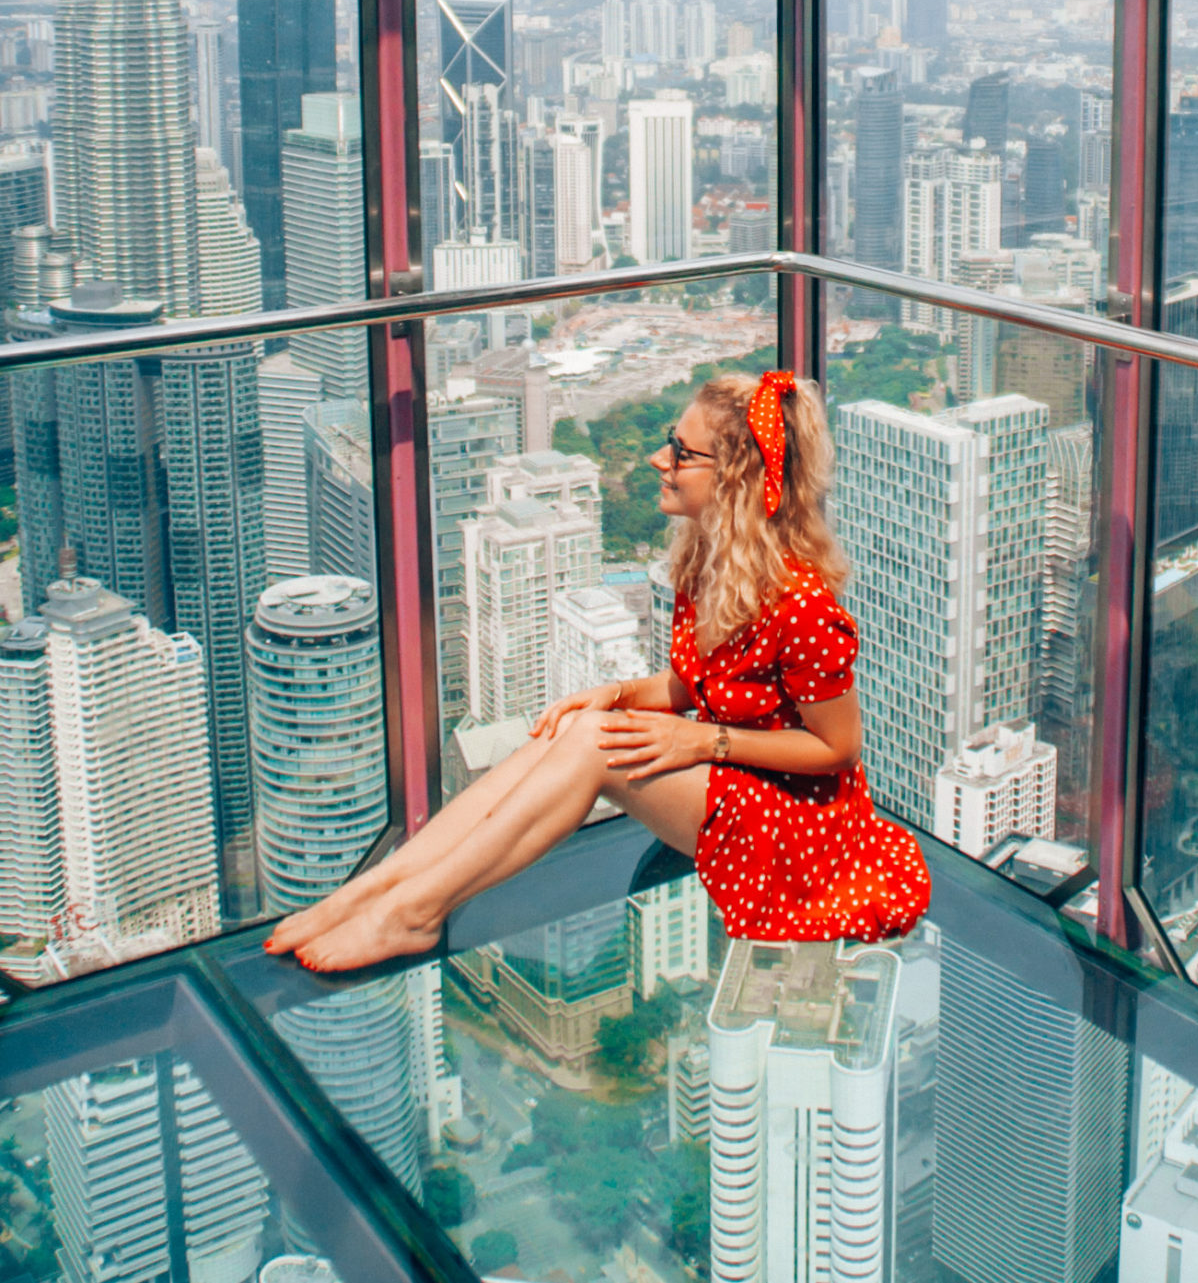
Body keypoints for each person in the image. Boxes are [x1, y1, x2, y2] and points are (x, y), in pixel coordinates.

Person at [265, 369, 930, 972]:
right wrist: (611, 694)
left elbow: (838, 748)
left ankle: (414, 913)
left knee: (594, 746)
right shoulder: (707, 560)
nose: (658, 458)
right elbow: (692, 686)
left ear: (736, 482)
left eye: (683, 452)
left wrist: (705, 740)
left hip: (799, 822)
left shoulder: (802, 601)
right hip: (736, 781)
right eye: (671, 440)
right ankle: (377, 887)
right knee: (576, 728)